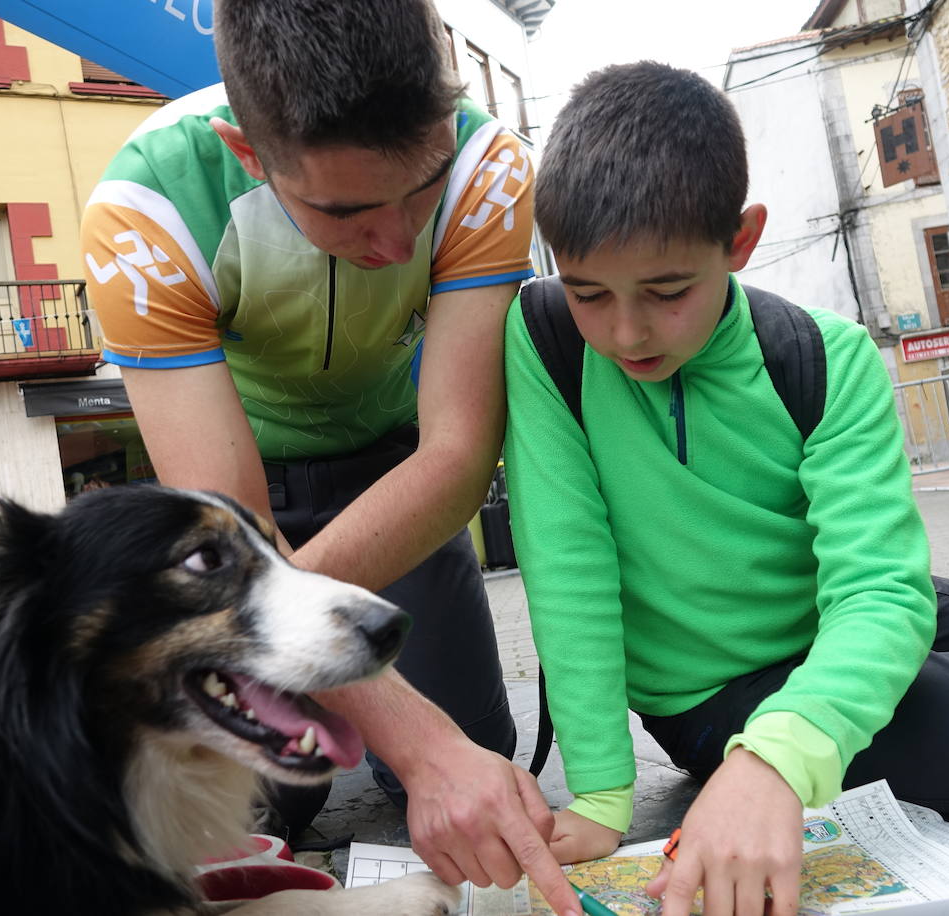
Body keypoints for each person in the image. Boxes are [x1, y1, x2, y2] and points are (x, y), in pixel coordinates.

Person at [502, 62, 949, 916]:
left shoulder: (826, 357)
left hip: (837, 610)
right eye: (590, 292)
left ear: (741, 241)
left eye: (668, 291)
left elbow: (880, 591)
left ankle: (857, 701)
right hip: (717, 691)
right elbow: (567, 571)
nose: (624, 331)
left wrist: (785, 753)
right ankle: (864, 705)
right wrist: (603, 795)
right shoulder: (547, 343)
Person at [80, 2, 577, 913]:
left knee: (473, 772)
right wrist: (373, 706)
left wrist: (432, 752)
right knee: (266, 802)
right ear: (247, 154)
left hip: (403, 483)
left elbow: (459, 451)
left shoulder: (490, 165)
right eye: (343, 209)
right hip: (238, 514)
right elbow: (234, 538)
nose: (394, 246)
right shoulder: (143, 208)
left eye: (419, 194)